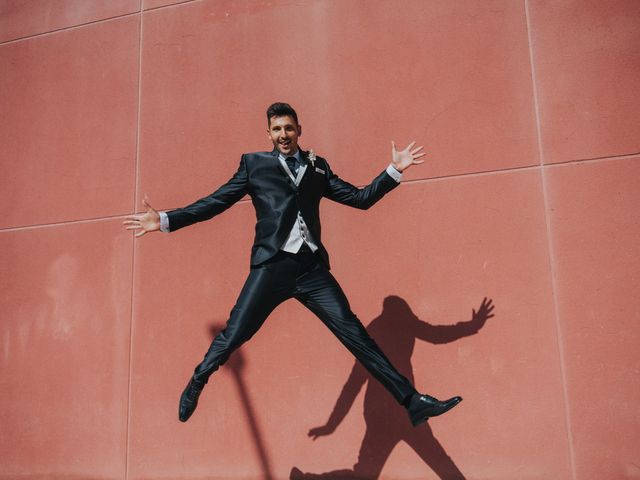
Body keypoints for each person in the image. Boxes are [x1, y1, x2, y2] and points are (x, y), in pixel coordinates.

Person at [123, 103, 462, 425]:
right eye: (276, 129)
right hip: (272, 266)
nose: (283, 134)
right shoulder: (253, 165)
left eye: (288, 127)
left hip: (311, 269)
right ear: (269, 134)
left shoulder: (318, 166)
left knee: (355, 333)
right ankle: (199, 378)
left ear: (299, 130)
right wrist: (166, 220)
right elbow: (217, 201)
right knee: (235, 334)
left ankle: (411, 402)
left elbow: (360, 199)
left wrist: (393, 170)